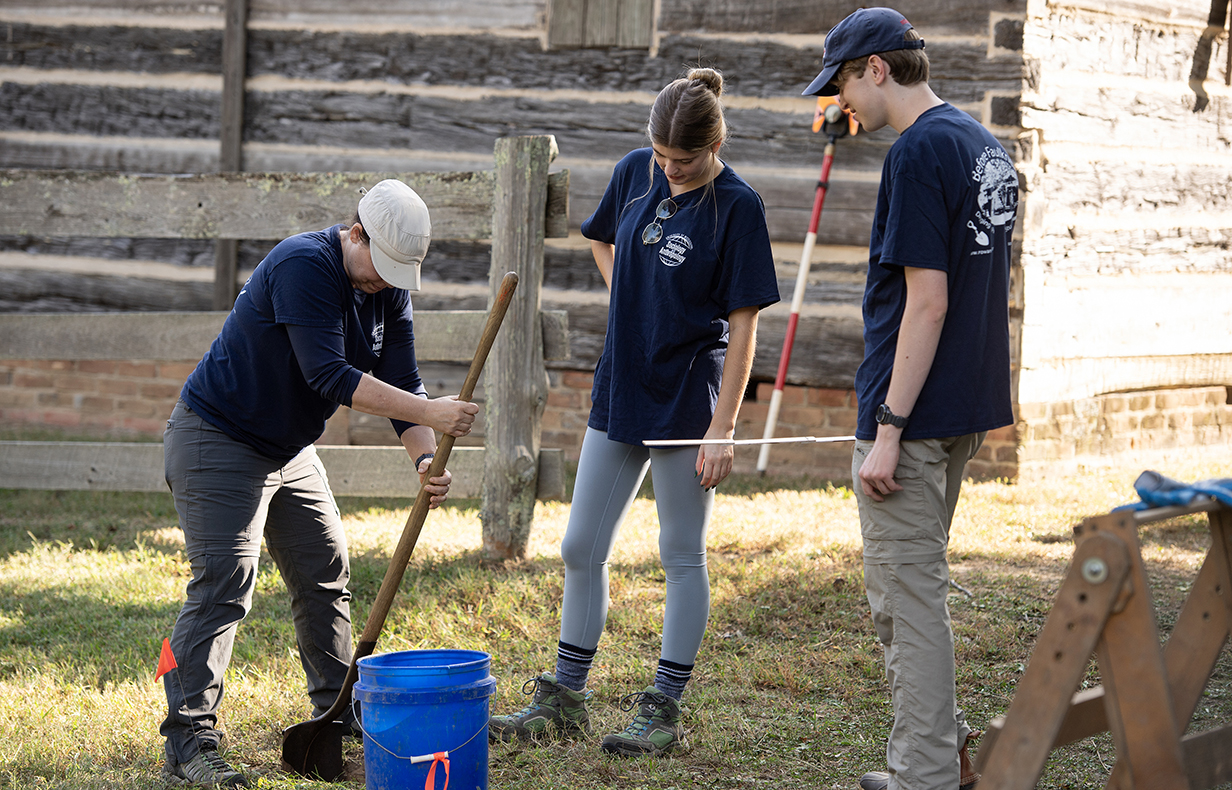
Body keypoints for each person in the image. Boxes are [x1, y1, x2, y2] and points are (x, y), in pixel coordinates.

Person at [488, 68, 780, 757]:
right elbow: (600, 237)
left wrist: (724, 428)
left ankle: (664, 705)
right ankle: (564, 696)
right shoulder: (634, 172)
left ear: (715, 145)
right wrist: (633, 293)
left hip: (687, 395)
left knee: (679, 553)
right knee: (579, 544)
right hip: (621, 385)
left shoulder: (739, 207)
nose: (672, 172)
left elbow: (745, 329)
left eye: (686, 162)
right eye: (662, 159)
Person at [159, 179, 479, 787]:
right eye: (375, 268)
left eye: (393, 274)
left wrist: (423, 459)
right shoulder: (303, 263)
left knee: (325, 572)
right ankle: (188, 740)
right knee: (225, 581)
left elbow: (403, 386)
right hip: (217, 437)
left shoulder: (388, 290)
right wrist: (434, 412)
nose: (381, 282)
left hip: (288, 448)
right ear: (355, 232)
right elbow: (330, 374)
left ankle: (337, 713)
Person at [802, 8, 1018, 790]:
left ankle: (924, 775)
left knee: (906, 600)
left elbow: (928, 302)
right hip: (960, 406)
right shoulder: (979, 143)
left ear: (878, 70)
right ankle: (942, 754)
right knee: (913, 588)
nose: (843, 104)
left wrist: (889, 426)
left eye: (844, 84)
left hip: (914, 414)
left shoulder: (919, 152)